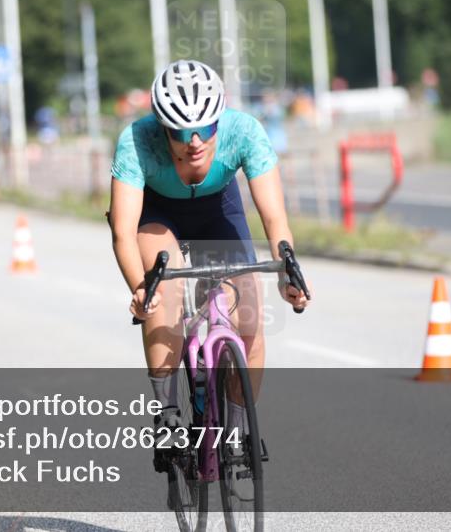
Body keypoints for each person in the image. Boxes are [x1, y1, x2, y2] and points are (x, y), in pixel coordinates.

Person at [107, 59, 310, 437]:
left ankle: (235, 432)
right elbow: (122, 231)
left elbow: (274, 218)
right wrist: (140, 288)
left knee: (249, 322)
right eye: (182, 133)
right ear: (163, 128)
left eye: (205, 128)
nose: (195, 142)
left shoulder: (245, 131)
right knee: (163, 293)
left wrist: (288, 271)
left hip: (218, 210)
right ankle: (167, 414)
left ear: (220, 118)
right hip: (158, 215)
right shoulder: (137, 141)